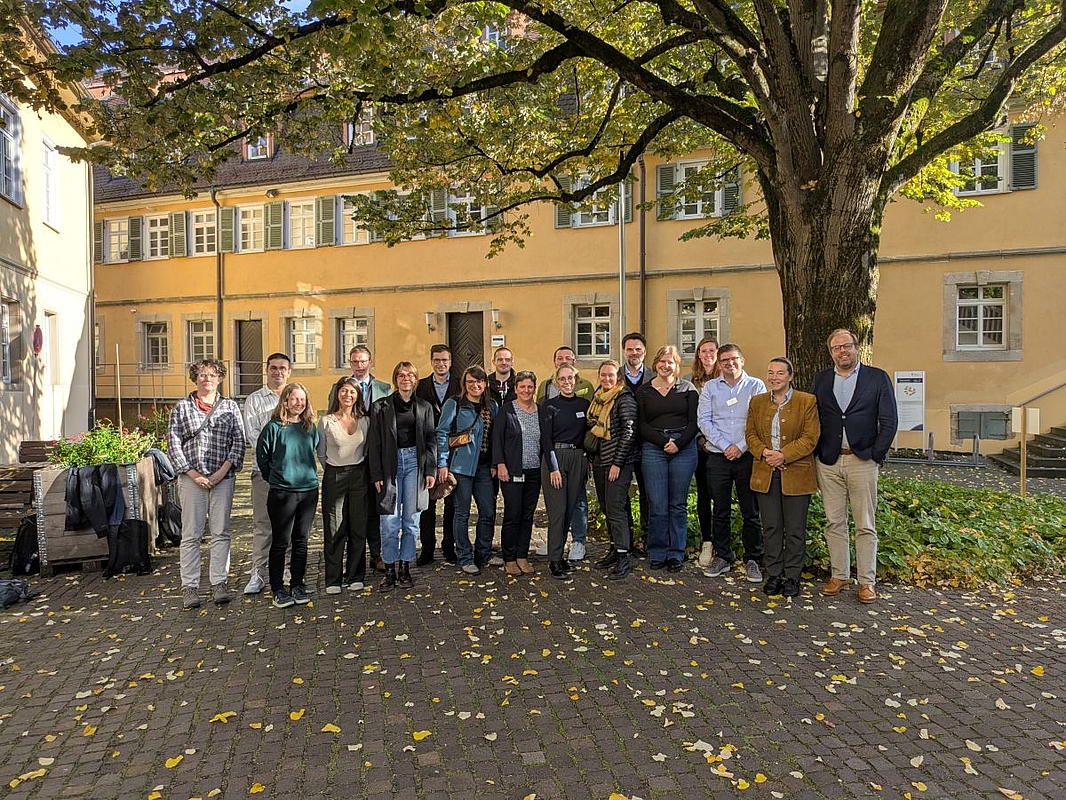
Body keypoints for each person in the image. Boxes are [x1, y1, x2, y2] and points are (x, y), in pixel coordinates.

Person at [811, 328, 898, 604]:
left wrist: (875, 454)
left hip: (862, 460)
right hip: (829, 461)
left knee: (865, 524)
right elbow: (813, 418)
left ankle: (866, 581)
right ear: (831, 352)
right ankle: (839, 575)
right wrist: (817, 453)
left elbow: (889, 421)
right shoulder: (822, 380)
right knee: (834, 522)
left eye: (846, 346)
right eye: (836, 348)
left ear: (857, 347)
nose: (842, 351)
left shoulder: (877, 378)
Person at [167, 359, 246, 610]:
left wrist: (222, 472)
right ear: (195, 378)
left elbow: (239, 441)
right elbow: (173, 443)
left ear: (219, 378)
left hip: (223, 478)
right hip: (192, 479)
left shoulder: (230, 407)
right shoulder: (182, 408)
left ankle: (219, 583)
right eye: (202, 374)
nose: (207, 379)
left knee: (221, 532)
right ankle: (189, 587)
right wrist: (193, 474)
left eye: (212, 374)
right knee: (192, 534)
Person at [745, 357, 820, 598]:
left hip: (796, 472)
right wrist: (764, 453)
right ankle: (775, 574)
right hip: (765, 471)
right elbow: (750, 434)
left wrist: (783, 455)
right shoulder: (757, 402)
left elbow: (810, 437)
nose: (774, 377)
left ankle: (792, 576)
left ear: (790, 376)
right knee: (771, 527)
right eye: (770, 373)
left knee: (795, 529)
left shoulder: (806, 401)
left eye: (779, 373)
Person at [697, 343, 767, 583]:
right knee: (720, 510)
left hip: (747, 456)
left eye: (733, 358)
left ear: (742, 360)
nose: (729, 363)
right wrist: (726, 446)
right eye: (724, 360)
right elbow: (704, 420)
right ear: (719, 364)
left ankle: (753, 559)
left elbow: (759, 421)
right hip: (718, 457)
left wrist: (740, 446)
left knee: (751, 511)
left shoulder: (756, 386)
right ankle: (723, 557)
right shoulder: (710, 387)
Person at [368, 362, 437, 592]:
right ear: (395, 379)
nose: (406, 378)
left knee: (411, 520)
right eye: (401, 375)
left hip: (415, 464)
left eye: (410, 375)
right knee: (389, 521)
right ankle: (389, 569)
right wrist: (376, 473)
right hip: (390, 464)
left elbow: (430, 440)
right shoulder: (380, 407)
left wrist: (430, 470)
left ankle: (405, 567)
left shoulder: (424, 407)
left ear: (415, 380)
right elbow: (374, 443)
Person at [635, 346, 699, 573]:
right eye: (662, 361)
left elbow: (694, 422)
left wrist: (678, 443)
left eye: (670, 362)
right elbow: (641, 424)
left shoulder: (688, 389)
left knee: (677, 504)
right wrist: (663, 441)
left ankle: (676, 553)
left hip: (684, 447)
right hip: (654, 448)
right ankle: (657, 551)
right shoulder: (644, 391)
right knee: (658, 505)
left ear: (677, 365)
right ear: (655, 364)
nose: (665, 365)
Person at [256, 383, 320, 609]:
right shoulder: (273, 428)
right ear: (285, 401)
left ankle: (297, 584)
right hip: (282, 493)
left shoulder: (310, 427)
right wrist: (279, 478)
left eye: (302, 399)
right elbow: (262, 458)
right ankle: (277, 589)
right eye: (294, 399)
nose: (299, 403)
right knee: (280, 542)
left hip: (308, 491)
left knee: (301, 540)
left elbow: (312, 452)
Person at [437, 366, 498, 575]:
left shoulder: (492, 406)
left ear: (485, 384)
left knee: (488, 512)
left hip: (484, 468)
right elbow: (442, 433)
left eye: (479, 381)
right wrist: (442, 463)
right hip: (460, 467)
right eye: (470, 381)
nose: (475, 385)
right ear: (464, 384)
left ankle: (484, 552)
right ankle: (465, 556)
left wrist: (495, 463)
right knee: (462, 514)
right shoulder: (454, 403)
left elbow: (495, 437)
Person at [535, 346, 593, 561]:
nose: (567, 382)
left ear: (576, 380)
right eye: (562, 379)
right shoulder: (548, 405)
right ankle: (555, 546)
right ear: (556, 382)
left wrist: (589, 458)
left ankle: (578, 542)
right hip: (555, 457)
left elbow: (590, 432)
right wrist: (553, 467)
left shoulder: (585, 404)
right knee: (557, 506)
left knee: (577, 501)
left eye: (570, 378)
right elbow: (546, 438)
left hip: (578, 457)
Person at [241, 352, 290, 595]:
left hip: (290, 474)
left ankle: (287, 569)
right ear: (266, 370)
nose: (277, 372)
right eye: (273, 367)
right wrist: (275, 457)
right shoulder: (254, 400)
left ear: (289, 372)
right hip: (264, 472)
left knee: (288, 523)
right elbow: (253, 436)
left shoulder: (295, 397)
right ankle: (258, 572)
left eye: (282, 368)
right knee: (263, 524)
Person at [586, 360, 639, 580]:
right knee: (607, 507)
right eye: (603, 375)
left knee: (616, 508)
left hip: (618, 463)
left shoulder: (624, 399)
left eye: (611, 375)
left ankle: (624, 556)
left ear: (618, 377)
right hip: (601, 461)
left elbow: (629, 433)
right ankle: (614, 548)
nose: (606, 379)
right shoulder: (598, 398)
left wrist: (617, 463)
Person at [318, 376, 370, 595]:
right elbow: (321, 453)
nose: (347, 395)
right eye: (344, 391)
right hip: (335, 475)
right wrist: (335, 469)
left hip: (359, 475)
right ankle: (333, 579)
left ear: (358, 395)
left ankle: (356, 575)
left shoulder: (365, 421)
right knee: (334, 528)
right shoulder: (326, 421)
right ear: (337, 394)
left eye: (352, 391)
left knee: (358, 527)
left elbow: (366, 450)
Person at [344, 345, 392, 572]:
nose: (359, 365)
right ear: (350, 363)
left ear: (370, 362)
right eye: (355, 361)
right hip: (351, 456)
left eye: (363, 361)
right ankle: (354, 557)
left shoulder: (384, 388)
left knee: (375, 507)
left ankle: (376, 553)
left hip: (377, 455)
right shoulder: (341, 388)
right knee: (352, 510)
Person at [491, 370, 541, 576]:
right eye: (522, 387)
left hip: (534, 471)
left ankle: (522, 555)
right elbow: (497, 438)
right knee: (513, 514)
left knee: (528, 515)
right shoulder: (507, 410)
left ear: (534, 389)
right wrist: (500, 464)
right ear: (516, 389)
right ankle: (509, 558)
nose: (526, 390)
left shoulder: (540, 411)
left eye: (530, 387)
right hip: (512, 471)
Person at [414, 344, 461, 565]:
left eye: (444, 360)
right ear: (431, 361)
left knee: (452, 502)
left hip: (454, 448)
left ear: (450, 362)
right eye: (437, 360)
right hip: (427, 450)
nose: (441, 364)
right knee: (427, 502)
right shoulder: (421, 386)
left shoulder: (460, 384)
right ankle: (427, 548)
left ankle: (449, 545)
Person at [687, 337, 719, 569]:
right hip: (701, 447)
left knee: (722, 496)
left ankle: (722, 541)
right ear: (698, 354)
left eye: (711, 350)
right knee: (704, 494)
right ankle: (707, 541)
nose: (707, 354)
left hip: (724, 446)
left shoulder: (726, 378)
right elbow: (691, 414)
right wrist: (700, 437)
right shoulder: (691, 381)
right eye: (703, 351)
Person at [619, 332, 652, 556]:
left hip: (647, 443)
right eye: (630, 349)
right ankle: (626, 540)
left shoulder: (653, 376)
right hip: (621, 446)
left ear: (644, 351)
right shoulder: (614, 376)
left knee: (647, 493)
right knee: (621, 494)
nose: (634, 353)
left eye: (638, 349)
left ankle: (648, 538)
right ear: (624, 352)